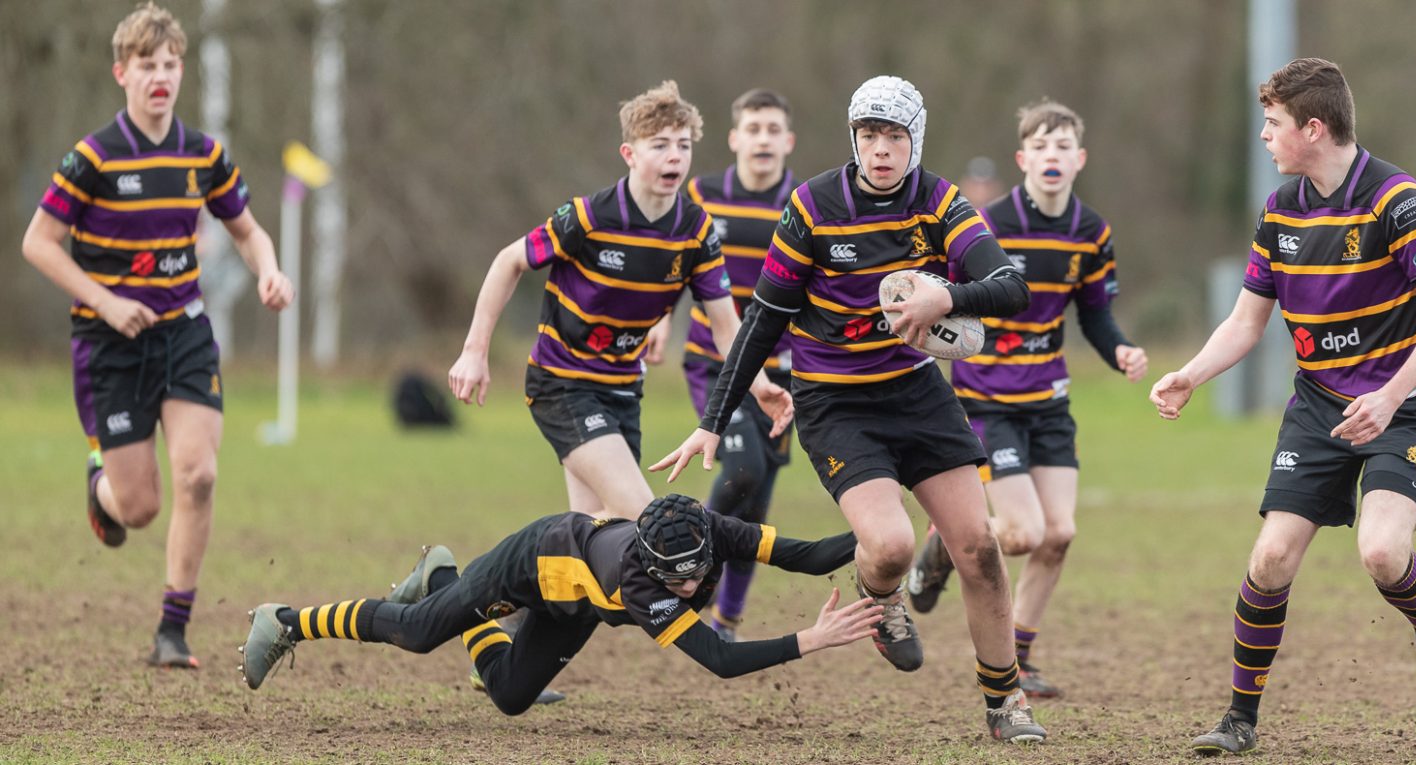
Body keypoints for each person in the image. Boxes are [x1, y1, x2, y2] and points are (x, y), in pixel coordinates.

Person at [653, 76, 1048, 743]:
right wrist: (712, 419)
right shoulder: (812, 208)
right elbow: (761, 324)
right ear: (853, 139)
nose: (881, 150)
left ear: (914, 139)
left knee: (978, 546)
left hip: (918, 392)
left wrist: (943, 298)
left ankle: (1005, 701)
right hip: (835, 401)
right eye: (869, 136)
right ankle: (882, 594)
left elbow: (1011, 285)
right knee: (889, 545)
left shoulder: (939, 201)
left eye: (894, 137)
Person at [1146, 58, 1416, 755]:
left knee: (1384, 553)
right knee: (1269, 559)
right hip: (1320, 403)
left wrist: (1388, 397)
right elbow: (1245, 321)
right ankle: (1239, 719)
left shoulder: (1397, 200)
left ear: (1313, 127)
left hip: (1405, 403)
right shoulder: (1280, 211)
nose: (1264, 136)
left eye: (1273, 123)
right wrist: (1191, 374)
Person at [21, 1, 293, 669]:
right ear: (122, 73)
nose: (160, 76)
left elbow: (248, 229)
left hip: (183, 334)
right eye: (147, 65)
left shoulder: (204, 155)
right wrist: (107, 302)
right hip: (109, 345)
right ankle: (100, 490)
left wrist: (270, 270)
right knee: (138, 507)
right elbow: (38, 243)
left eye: (170, 64)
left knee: (198, 475)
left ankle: (173, 629)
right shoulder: (91, 158)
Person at [447, 81, 790, 522]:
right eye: (660, 145)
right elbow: (507, 261)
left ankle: (538, 591)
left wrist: (759, 386)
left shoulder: (696, 230)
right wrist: (475, 351)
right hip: (562, 382)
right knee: (641, 520)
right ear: (629, 154)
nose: (675, 156)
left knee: (594, 533)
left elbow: (726, 326)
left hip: (624, 389)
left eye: (683, 146)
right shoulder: (589, 218)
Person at [905, 100, 1148, 700]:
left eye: (1063, 146)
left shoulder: (1091, 232)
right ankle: (942, 545)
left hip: (1049, 402)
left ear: (1079, 159)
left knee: (1058, 533)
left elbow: (1094, 314)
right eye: (1041, 146)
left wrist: (1119, 350)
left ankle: (1020, 655)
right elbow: (942, 294)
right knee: (1019, 532)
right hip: (988, 401)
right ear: (1023, 159)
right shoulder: (986, 225)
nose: (1052, 156)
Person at [238, 494, 881, 715]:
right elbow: (718, 658)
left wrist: (888, 527)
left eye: (699, 576)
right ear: (655, 570)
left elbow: (812, 554)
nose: (692, 588)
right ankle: (287, 620)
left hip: (573, 606)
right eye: (677, 581)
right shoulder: (640, 583)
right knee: (413, 634)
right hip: (529, 565)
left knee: (510, 697)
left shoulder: (707, 530)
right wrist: (812, 639)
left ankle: (441, 579)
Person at [669, 88, 799, 642]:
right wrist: (657, 320)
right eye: (754, 129)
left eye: (773, 130)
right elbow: (669, 260)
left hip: (784, 374)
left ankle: (726, 620)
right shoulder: (702, 194)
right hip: (713, 362)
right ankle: (676, 552)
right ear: (735, 139)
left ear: (788, 141)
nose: (763, 139)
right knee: (742, 469)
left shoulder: (804, 204)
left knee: (757, 499)